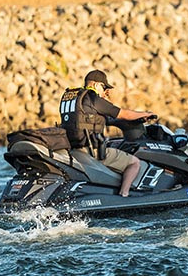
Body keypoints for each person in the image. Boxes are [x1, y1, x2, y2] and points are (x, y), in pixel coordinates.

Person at [59, 69, 155, 197]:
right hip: (93, 151)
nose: (105, 92)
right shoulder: (93, 98)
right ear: (96, 85)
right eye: (104, 88)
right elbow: (123, 114)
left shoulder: (75, 99)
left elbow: (95, 120)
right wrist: (146, 114)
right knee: (134, 163)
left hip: (74, 149)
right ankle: (124, 195)